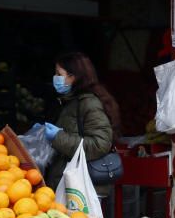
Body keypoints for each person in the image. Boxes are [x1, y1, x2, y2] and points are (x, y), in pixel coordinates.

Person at [41, 52, 120, 199]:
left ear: (73, 77)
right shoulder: (68, 102)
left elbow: (100, 144)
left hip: (83, 189)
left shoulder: (89, 103)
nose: (55, 78)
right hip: (68, 184)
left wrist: (58, 137)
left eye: (59, 74)